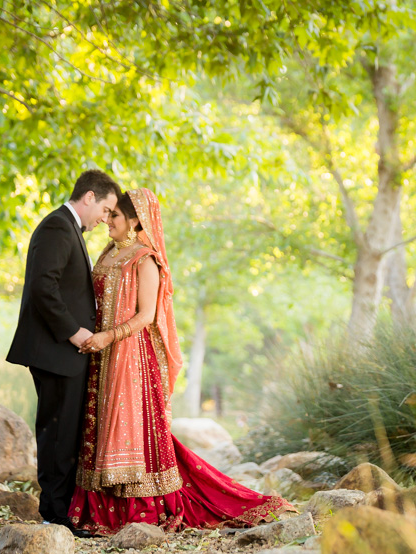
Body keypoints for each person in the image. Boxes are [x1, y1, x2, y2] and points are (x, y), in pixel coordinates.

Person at [68, 188, 295, 534]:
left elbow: (145, 316)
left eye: (114, 215)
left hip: (129, 357)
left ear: (134, 220)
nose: (107, 221)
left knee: (132, 432)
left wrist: (107, 338)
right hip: (99, 356)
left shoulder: (145, 260)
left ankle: (138, 509)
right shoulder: (106, 255)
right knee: (99, 427)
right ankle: (98, 508)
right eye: (108, 213)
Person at [6, 170, 120, 536]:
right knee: (57, 433)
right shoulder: (57, 227)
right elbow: (44, 288)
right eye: (105, 209)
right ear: (89, 197)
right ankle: (55, 517)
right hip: (56, 349)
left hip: (61, 352)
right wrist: (75, 333)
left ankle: (60, 513)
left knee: (64, 432)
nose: (104, 218)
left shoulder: (68, 228)